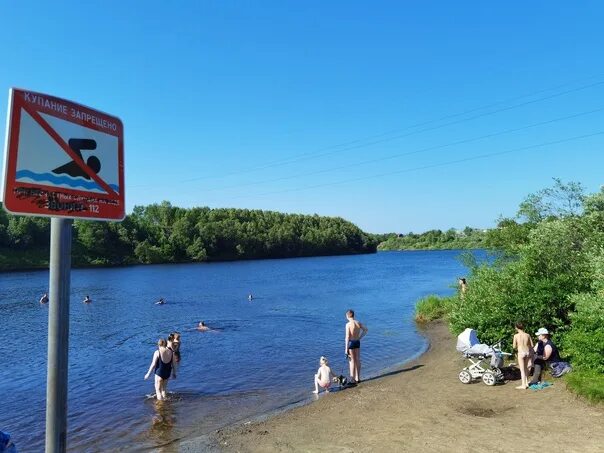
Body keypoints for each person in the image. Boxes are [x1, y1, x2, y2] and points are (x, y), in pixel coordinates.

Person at [345, 309, 368, 383]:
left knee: (352, 361)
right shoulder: (358, 322)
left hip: (351, 342)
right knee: (357, 359)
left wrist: (346, 349)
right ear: (353, 315)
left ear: (347, 316)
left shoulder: (348, 324)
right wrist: (360, 337)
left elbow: (347, 337)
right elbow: (366, 330)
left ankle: (352, 379)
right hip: (357, 342)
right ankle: (358, 378)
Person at [512, 322, 533, 389]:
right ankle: (526, 383)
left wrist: (518, 345)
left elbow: (514, 346)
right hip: (527, 352)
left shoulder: (516, 336)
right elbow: (532, 345)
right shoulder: (527, 335)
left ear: (516, 328)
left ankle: (523, 385)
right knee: (526, 368)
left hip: (521, 352)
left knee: (522, 370)